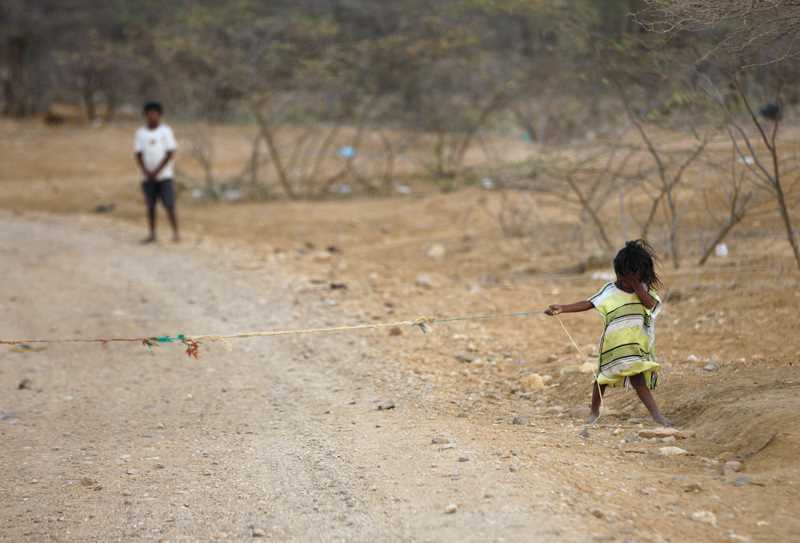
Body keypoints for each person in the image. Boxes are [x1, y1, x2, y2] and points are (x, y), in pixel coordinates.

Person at [545, 240, 670, 426]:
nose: (629, 284)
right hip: (612, 345)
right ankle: (594, 411)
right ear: (619, 274)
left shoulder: (644, 291)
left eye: (636, 279)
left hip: (635, 346)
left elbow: (651, 305)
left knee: (637, 379)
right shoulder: (609, 291)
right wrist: (562, 308)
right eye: (627, 279)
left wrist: (637, 287)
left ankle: (657, 416)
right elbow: (589, 303)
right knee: (601, 380)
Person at [134, 101, 179, 243]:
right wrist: (146, 172)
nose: (152, 115)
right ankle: (152, 234)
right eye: (149, 113)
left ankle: (175, 233)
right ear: (146, 115)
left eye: (155, 113)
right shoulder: (140, 133)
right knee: (151, 206)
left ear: (159, 115)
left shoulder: (165, 131)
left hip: (164, 176)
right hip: (147, 177)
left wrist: (157, 171)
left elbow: (170, 152)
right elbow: (138, 154)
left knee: (169, 204)